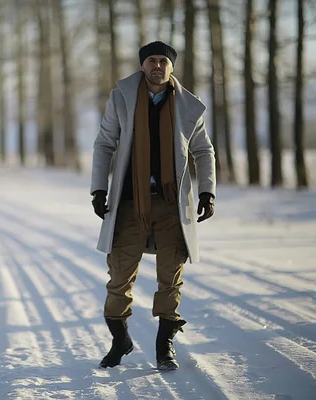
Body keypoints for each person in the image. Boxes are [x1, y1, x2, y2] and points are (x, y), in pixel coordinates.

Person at [90, 41, 216, 370]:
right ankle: (120, 340)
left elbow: (203, 151)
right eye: (151, 61)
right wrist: (99, 190)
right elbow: (104, 144)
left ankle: (165, 346)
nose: (157, 66)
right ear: (142, 66)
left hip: (172, 205)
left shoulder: (189, 106)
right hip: (130, 202)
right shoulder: (122, 98)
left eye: (163, 61)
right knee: (118, 275)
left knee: (170, 277)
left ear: (172, 67)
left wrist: (207, 192)